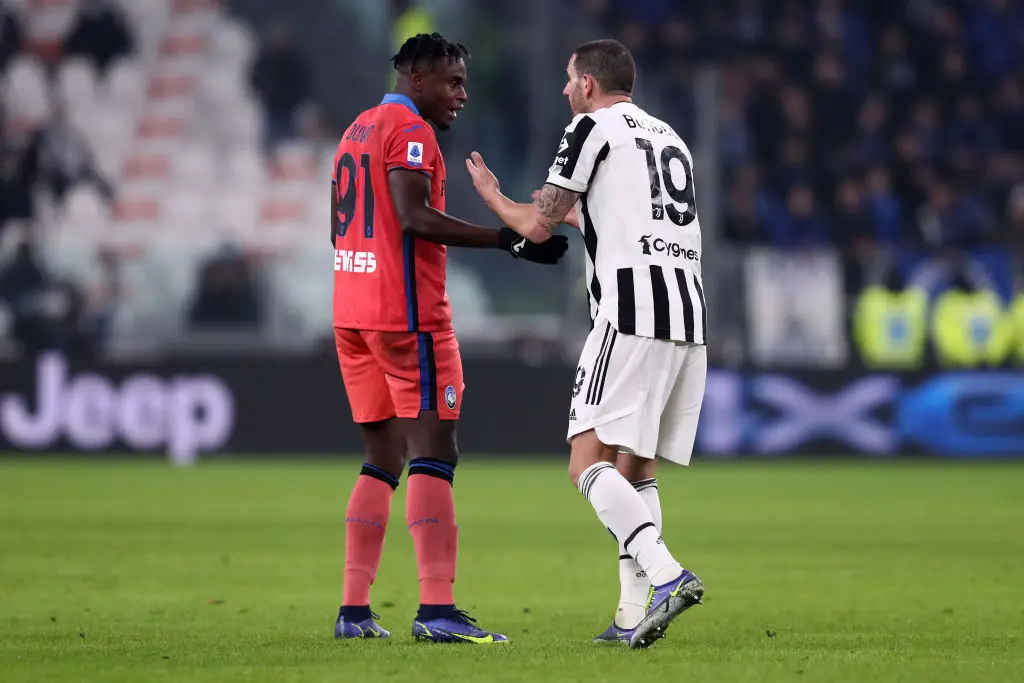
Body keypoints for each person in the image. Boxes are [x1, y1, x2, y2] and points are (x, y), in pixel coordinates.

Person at [466, 38, 706, 649]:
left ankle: (666, 574)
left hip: (629, 312)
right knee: (636, 464)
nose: (565, 90)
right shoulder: (667, 137)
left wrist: (494, 197)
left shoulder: (590, 127)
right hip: (687, 314)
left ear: (591, 85)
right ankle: (630, 616)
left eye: (570, 80)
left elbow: (540, 221)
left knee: (586, 462)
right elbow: (618, 216)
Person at [330, 32, 568, 644]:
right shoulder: (412, 134)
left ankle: (354, 611)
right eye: (452, 81)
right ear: (417, 79)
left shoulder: (356, 129)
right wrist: (506, 240)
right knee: (435, 453)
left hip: (353, 310)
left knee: (382, 457)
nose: (462, 93)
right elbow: (412, 218)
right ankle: (437, 610)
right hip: (406, 316)